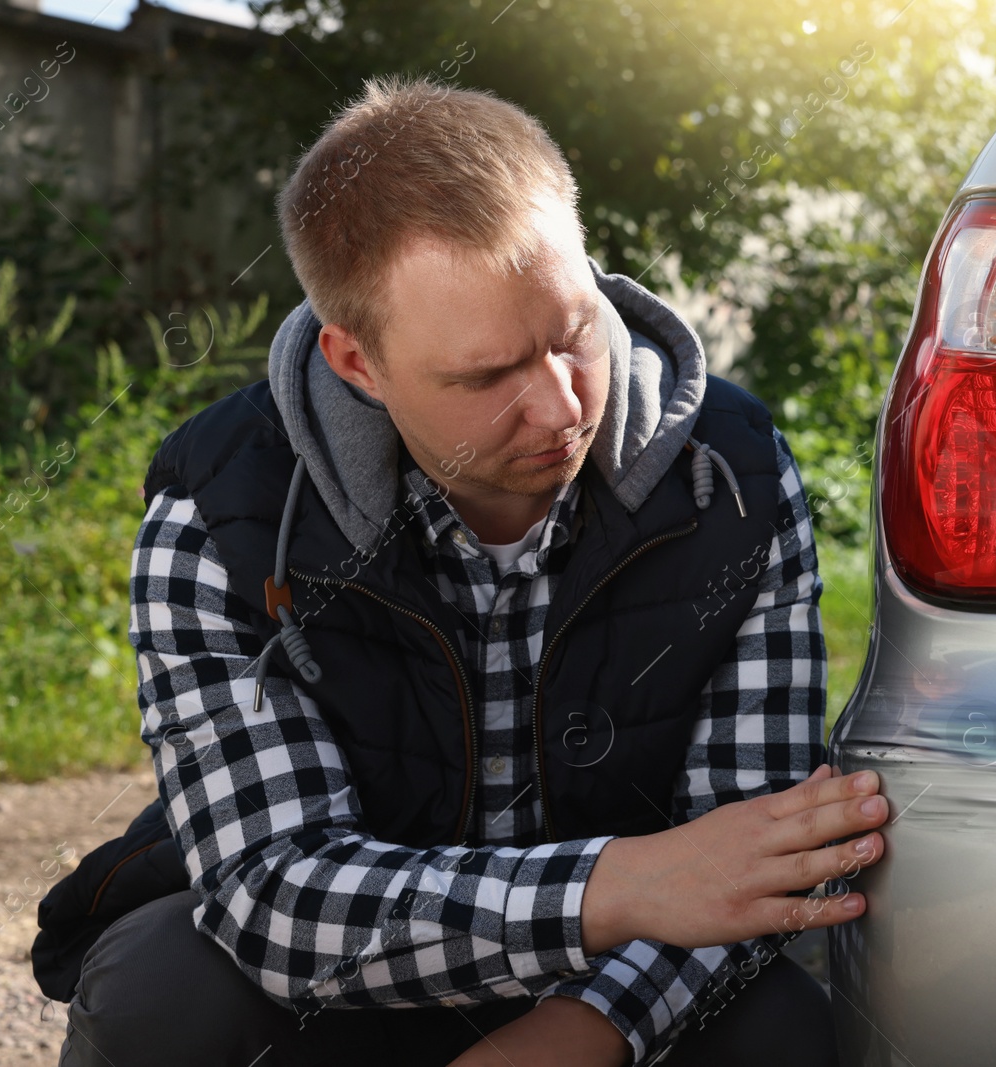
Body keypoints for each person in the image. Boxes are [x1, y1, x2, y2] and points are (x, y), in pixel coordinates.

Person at [51, 74, 887, 1067]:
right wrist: (619, 882)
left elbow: (757, 864)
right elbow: (275, 892)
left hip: (621, 983)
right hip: (346, 984)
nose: (561, 405)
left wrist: (572, 1034)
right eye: (487, 375)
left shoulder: (735, 477)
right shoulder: (219, 513)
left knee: (788, 1031)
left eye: (575, 331)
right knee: (158, 992)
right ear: (356, 361)